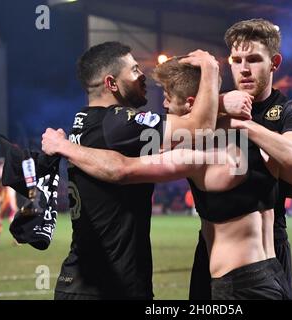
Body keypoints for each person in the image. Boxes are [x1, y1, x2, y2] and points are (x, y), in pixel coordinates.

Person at [42, 56, 292, 299]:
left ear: (190, 104)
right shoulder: (256, 141)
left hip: (238, 283)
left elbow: (122, 169)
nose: (162, 105)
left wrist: (64, 147)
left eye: (167, 96)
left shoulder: (197, 154)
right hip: (273, 270)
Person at [51, 41, 230, 300]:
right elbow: (200, 126)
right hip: (108, 286)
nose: (142, 75)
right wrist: (211, 70)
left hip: (83, 282)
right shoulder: (118, 123)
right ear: (111, 83)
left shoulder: (88, 121)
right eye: (134, 70)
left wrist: (222, 103)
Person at [188, 18, 292, 300]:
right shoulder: (211, 106)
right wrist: (221, 104)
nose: (244, 68)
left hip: (270, 244)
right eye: (237, 60)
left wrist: (245, 125)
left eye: (254, 59)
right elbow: (175, 120)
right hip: (213, 245)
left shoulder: (287, 111)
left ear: (274, 62)